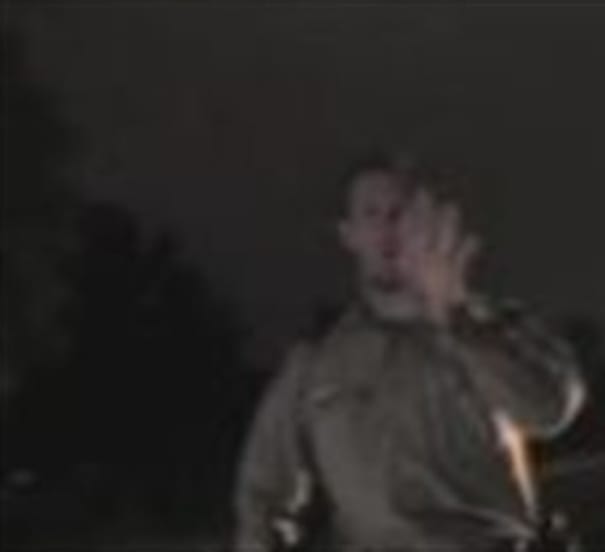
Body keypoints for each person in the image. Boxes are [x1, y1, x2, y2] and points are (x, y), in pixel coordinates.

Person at [232, 152, 587, 552]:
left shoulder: (494, 326)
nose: (388, 227)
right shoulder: (316, 361)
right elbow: (262, 491)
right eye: (371, 214)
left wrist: (457, 320)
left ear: (427, 222)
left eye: (400, 212)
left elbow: (551, 409)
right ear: (349, 234)